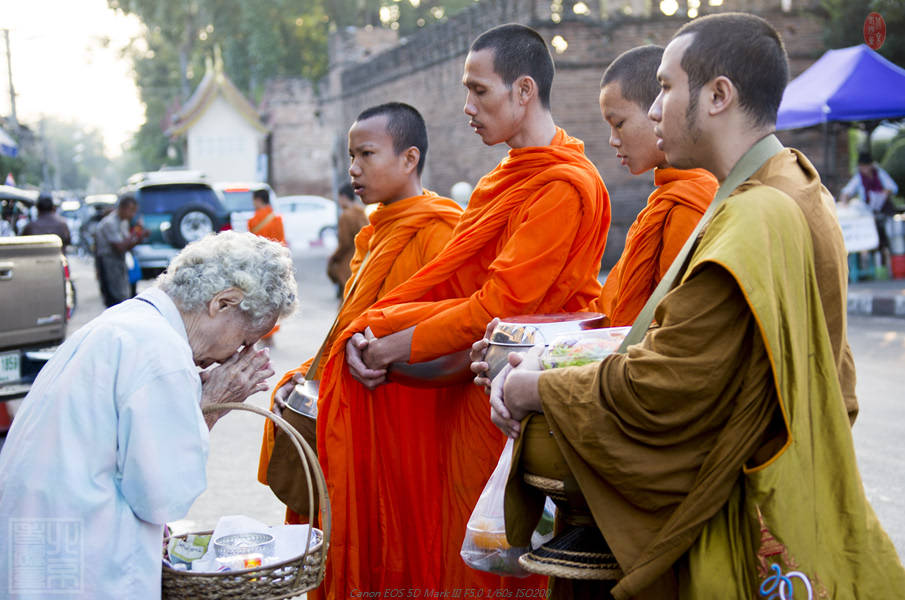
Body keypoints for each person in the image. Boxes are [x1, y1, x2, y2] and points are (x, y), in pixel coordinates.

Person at [490, 12, 902, 599]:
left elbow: (665, 385)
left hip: (727, 513)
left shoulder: (761, 213)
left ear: (717, 96)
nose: (653, 110)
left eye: (663, 86)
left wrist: (536, 388)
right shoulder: (788, 188)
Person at [315, 24, 610, 597]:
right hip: (471, 387)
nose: (467, 107)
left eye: (480, 91)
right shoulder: (502, 178)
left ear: (524, 92)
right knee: (458, 550)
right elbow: (452, 289)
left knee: (495, 568)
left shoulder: (561, 186)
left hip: (513, 401)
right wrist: (377, 329)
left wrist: (393, 342)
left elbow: (499, 307)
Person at [0, 231, 297, 600]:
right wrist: (210, 406)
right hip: (81, 567)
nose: (234, 356)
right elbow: (163, 497)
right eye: (243, 340)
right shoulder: (162, 353)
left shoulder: (128, 323)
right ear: (223, 303)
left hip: (44, 550)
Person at [257, 102, 463, 519]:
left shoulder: (442, 233)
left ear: (409, 159)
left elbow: (463, 340)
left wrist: (391, 366)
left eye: (366, 154)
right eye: (352, 156)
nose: (354, 168)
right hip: (366, 420)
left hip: (413, 427)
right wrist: (309, 375)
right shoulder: (376, 236)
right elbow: (349, 332)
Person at [593, 45, 717, 326]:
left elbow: (676, 323)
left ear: (660, 111)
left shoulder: (690, 204)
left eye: (619, 123)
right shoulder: (664, 200)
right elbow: (616, 301)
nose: (613, 139)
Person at [839, 151, 899, 263]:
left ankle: (889, 256)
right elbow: (847, 191)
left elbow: (893, 188)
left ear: (871, 165)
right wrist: (844, 201)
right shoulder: (858, 178)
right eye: (862, 166)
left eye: (866, 166)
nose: (864, 169)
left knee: (889, 233)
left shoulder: (880, 174)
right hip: (869, 212)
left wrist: (884, 193)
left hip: (884, 210)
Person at [94, 194, 146, 307]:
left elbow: (127, 245)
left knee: (124, 292)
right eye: (131, 211)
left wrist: (139, 237)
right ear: (122, 208)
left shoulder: (124, 221)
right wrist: (135, 233)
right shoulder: (110, 222)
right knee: (115, 296)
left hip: (120, 260)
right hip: (109, 261)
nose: (133, 215)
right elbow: (120, 246)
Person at [327, 182, 369, 298]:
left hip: (348, 263)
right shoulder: (362, 213)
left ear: (344, 197)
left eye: (339, 198)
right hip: (363, 262)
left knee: (347, 301)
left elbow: (344, 243)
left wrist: (334, 257)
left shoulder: (346, 216)